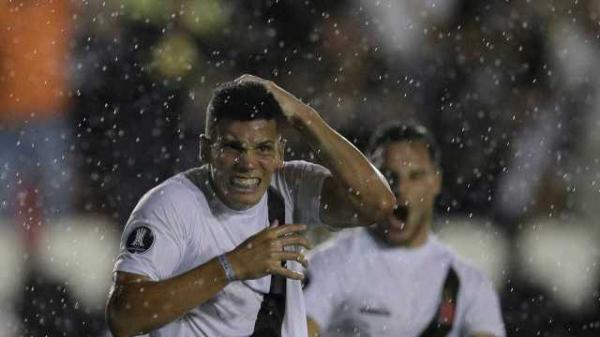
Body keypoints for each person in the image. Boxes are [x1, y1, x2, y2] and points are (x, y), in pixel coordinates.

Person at [105, 74, 396, 337]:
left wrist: (306, 118)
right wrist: (232, 265)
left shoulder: (289, 186)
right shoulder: (171, 205)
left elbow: (378, 204)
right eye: (232, 147)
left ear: (280, 151)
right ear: (206, 149)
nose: (247, 164)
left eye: (263, 148)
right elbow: (124, 317)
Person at [305, 122, 506, 337]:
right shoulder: (332, 263)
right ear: (370, 182)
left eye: (415, 176)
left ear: (436, 182)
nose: (401, 188)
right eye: (389, 176)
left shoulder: (469, 282)